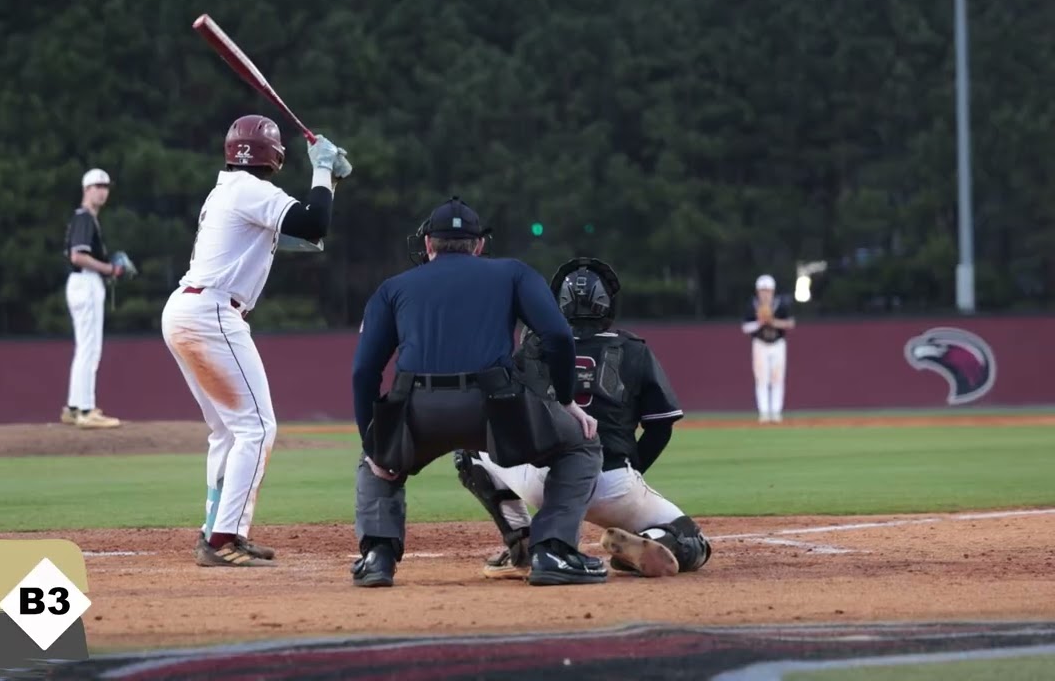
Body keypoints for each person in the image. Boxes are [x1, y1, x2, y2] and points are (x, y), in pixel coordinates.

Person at [350, 197, 606, 588]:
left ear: (429, 244)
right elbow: (556, 335)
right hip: (497, 407)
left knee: (375, 465)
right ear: (480, 245)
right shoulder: (513, 273)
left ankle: (376, 557)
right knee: (581, 445)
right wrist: (566, 400)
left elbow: (364, 370)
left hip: (417, 409)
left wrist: (373, 441)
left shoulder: (394, 287)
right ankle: (552, 549)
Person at [160, 114, 351, 567]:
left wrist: (330, 183)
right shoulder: (253, 191)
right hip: (213, 315)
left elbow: (302, 236)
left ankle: (214, 532)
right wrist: (322, 168)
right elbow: (314, 224)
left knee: (227, 431)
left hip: (187, 310)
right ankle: (225, 538)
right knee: (258, 427)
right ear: (276, 157)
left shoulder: (226, 190)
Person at [456, 258, 713, 580]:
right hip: (612, 482)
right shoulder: (633, 349)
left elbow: (502, 415)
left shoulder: (532, 347)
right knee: (692, 541)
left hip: (539, 479)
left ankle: (521, 544)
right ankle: (655, 540)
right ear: (608, 305)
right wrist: (628, 468)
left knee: (467, 451)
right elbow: (660, 427)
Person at [61, 168, 125, 430]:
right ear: (86, 189)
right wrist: (110, 269)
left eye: (106, 186)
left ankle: (75, 407)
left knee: (85, 348)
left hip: (83, 283)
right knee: (90, 349)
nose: (102, 190)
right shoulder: (85, 218)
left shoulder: (85, 218)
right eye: (97, 185)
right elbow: (78, 256)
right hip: (85, 282)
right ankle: (86, 411)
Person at [742, 274, 796, 423]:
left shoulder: (781, 304)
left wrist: (772, 321)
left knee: (777, 379)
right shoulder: (752, 305)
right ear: (758, 291)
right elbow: (745, 327)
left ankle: (776, 412)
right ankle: (764, 413)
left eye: (768, 290)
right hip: (760, 344)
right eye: (762, 290)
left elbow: (790, 323)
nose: (765, 294)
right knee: (761, 379)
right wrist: (760, 322)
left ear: (772, 291)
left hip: (778, 343)